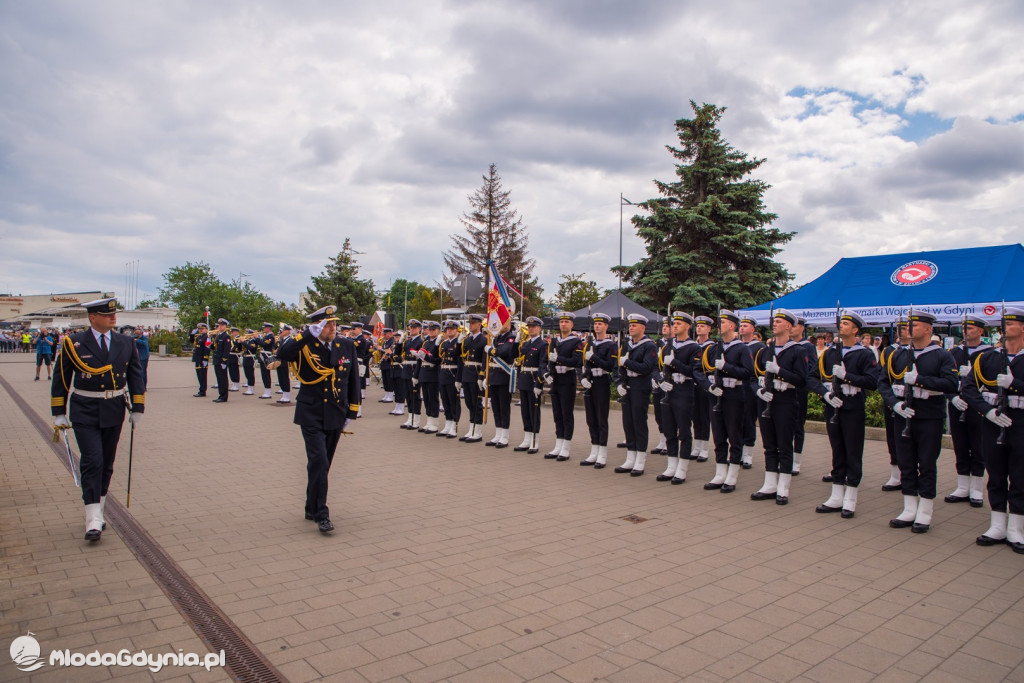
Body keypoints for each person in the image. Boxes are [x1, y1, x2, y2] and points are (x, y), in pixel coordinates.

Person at [51, 298, 145, 541]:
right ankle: (91, 516)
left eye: (114, 314)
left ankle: (100, 509)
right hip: (85, 408)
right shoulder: (74, 342)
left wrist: (138, 406)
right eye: (106, 314)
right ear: (93, 317)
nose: (113, 318)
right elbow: (61, 378)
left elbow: (135, 374)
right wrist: (58, 411)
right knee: (92, 460)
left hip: (114, 407)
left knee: (107, 463)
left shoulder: (126, 342)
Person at [273, 305, 360, 534]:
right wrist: (306, 334)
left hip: (335, 412)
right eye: (328, 324)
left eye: (334, 324)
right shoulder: (304, 344)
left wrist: (352, 410)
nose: (333, 328)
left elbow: (353, 379)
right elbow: (282, 354)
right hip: (310, 412)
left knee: (322, 464)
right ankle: (322, 513)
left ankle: (311, 506)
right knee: (319, 460)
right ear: (317, 326)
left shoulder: (346, 345)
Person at [879, 311, 958, 533]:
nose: (909, 329)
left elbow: (951, 384)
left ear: (928, 329)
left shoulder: (941, 355)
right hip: (902, 415)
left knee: (926, 463)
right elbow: (883, 382)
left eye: (914, 325)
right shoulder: (898, 355)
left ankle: (925, 510)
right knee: (906, 462)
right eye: (908, 325)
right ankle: (909, 507)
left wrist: (920, 381)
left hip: (928, 416)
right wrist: (894, 404)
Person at [963, 307, 1024, 552]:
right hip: (992, 422)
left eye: (1010, 323)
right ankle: (998, 524)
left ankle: (1016, 528)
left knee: (1020, 476)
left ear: (1022, 327)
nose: (1004, 327)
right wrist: (986, 412)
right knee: (996, 474)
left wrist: (1015, 385)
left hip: (1020, 422)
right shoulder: (987, 358)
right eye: (1003, 323)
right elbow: (968, 388)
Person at [808, 311, 879, 517]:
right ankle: (836, 494)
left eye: (846, 323)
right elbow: (812, 377)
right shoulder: (830, 352)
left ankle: (851, 497)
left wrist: (847, 377)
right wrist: (825, 394)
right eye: (841, 323)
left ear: (856, 330)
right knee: (837, 450)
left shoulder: (864, 354)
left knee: (853, 452)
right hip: (833, 405)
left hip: (853, 407)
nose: (842, 326)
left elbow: (872, 382)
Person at [750, 310, 807, 503]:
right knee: (769, 444)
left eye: (779, 322)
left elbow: (802, 380)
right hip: (766, 400)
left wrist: (780, 371)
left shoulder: (798, 350)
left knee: (784, 444)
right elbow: (752, 376)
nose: (774, 324)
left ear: (789, 326)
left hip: (786, 400)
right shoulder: (765, 350)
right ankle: (770, 483)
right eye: (774, 321)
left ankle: (783, 486)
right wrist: (757, 391)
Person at [699, 310, 754, 492]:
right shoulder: (715, 348)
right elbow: (702, 370)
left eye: (722, 322)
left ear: (732, 325)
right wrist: (709, 386)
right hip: (716, 394)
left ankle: (732, 475)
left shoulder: (742, 348)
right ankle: (720, 472)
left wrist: (726, 367)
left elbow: (747, 373)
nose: (719, 326)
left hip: (734, 395)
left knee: (734, 435)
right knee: (719, 435)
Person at [946, 315, 991, 507]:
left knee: (978, 445)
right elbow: (945, 378)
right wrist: (952, 397)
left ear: (981, 331)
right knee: (960, 444)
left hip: (979, 405)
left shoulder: (990, 354)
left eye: (971, 328)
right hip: (958, 403)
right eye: (964, 328)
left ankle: (977, 489)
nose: (966, 331)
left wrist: (972, 373)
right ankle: (963, 485)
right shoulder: (954, 353)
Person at [654, 312, 702, 483]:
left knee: (684, 430)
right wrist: (660, 381)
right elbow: (656, 367)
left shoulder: (694, 347)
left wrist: (674, 363)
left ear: (688, 326)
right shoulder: (668, 346)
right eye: (674, 324)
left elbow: (693, 372)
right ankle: (671, 466)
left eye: (679, 324)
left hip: (684, 389)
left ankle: (682, 468)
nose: (675, 326)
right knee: (669, 429)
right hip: (668, 389)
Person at [613, 314, 659, 475]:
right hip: (628, 386)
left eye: (634, 325)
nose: (631, 328)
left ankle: (640, 459)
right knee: (628, 422)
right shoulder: (627, 345)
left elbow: (647, 367)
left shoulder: (649, 346)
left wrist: (627, 363)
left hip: (641, 385)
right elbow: (617, 367)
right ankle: (630, 457)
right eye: (630, 325)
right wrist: (618, 383)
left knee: (639, 422)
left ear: (643, 328)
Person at [579, 313, 617, 467]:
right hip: (590, 382)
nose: (597, 326)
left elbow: (610, 366)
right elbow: (583, 365)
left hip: (602, 382)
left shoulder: (611, 345)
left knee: (601, 418)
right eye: (595, 324)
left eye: (600, 324)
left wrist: (593, 357)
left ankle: (602, 452)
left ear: (606, 326)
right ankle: (594, 450)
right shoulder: (590, 344)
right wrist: (583, 377)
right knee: (591, 419)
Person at [544, 312, 583, 461]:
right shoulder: (555, 341)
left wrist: (558, 358)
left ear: (572, 325)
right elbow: (548, 360)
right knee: (557, 414)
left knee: (567, 414)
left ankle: (566, 446)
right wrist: (549, 370)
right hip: (557, 379)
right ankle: (558, 444)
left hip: (568, 378)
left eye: (566, 322)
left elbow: (576, 361)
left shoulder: (576, 342)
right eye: (561, 322)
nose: (563, 324)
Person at [878, 320, 909, 490]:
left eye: (904, 328)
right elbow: (883, 375)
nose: (901, 332)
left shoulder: (917, 352)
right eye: (899, 329)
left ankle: (911, 474)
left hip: (911, 401)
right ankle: (895, 474)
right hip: (893, 399)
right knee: (893, 437)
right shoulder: (890, 351)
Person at [515, 317, 547, 454]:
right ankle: (527, 438)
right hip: (524, 379)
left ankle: (534, 440)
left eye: (534, 326)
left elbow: (542, 365)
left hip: (534, 380)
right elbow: (516, 358)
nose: (531, 329)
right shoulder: (525, 344)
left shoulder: (543, 344)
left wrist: (539, 383)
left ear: (539, 329)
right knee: (525, 411)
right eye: (529, 326)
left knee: (534, 412)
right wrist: (516, 341)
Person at [790, 317, 816, 476]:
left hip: (799, 391)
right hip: (785, 391)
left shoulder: (808, 347)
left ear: (802, 329)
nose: (791, 328)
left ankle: (796, 461)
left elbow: (812, 369)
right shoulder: (787, 346)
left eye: (795, 326)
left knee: (798, 426)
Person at [485, 320, 517, 448]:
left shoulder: (511, 338)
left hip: (504, 376)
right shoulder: (495, 338)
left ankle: (505, 435)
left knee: (504, 407)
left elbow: (505, 351)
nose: (501, 326)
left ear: (509, 325)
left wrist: (491, 350)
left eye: (504, 323)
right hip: (493, 376)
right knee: (496, 407)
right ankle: (498, 433)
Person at [739, 315, 766, 469]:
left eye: (745, 325)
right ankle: (738, 451)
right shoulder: (737, 345)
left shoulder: (760, 348)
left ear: (753, 329)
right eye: (741, 325)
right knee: (737, 421)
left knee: (748, 421)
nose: (742, 328)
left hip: (751, 388)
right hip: (737, 387)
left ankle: (748, 454)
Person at [460, 314, 487, 442]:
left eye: (473, 323)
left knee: (477, 403)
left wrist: (482, 375)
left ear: (479, 324)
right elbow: (462, 358)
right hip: (467, 373)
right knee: (469, 403)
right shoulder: (467, 340)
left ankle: (478, 431)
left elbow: (484, 359)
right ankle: (471, 427)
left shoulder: (484, 340)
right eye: (470, 323)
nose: (470, 325)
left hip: (476, 374)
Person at [691, 316, 715, 462]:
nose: (699, 328)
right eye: (698, 326)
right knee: (695, 417)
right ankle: (697, 446)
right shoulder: (693, 346)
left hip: (704, 386)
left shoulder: (711, 347)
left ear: (709, 329)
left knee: (704, 417)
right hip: (692, 385)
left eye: (703, 326)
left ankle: (704, 448)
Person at [436, 321, 463, 438]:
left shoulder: (459, 343)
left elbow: (460, 363)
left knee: (453, 402)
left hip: (453, 374)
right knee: (445, 400)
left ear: (457, 330)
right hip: (443, 374)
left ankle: (454, 426)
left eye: (452, 329)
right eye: (447, 329)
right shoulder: (444, 343)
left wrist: (458, 379)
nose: (449, 331)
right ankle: (448, 423)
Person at [650, 317, 672, 456]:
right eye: (663, 326)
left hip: (670, 383)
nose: (665, 328)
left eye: (668, 326)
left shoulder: (674, 344)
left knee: (669, 414)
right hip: (658, 381)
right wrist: (656, 378)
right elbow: (653, 363)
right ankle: (662, 440)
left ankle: (671, 441)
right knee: (659, 413)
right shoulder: (656, 344)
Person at [417, 321, 442, 434]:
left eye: (434, 330)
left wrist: (426, 357)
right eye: (430, 329)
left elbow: (438, 360)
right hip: (424, 372)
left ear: (438, 331)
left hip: (433, 373)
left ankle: (435, 423)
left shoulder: (439, 342)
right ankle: (429, 421)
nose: (431, 331)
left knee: (433, 398)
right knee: (426, 398)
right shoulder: (426, 342)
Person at [400, 320, 424, 430]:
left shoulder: (421, 341)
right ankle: (410, 417)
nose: (412, 329)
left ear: (419, 329)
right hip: (406, 369)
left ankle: (416, 419)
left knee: (415, 396)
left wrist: (416, 374)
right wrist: (400, 342)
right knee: (408, 395)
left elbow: (420, 360)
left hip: (414, 369)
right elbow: (397, 352)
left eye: (414, 327)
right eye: (411, 327)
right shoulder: (407, 341)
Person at [212, 319, 231, 403]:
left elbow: (226, 350)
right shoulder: (218, 336)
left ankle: (224, 397)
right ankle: (220, 395)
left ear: (225, 326)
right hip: (217, 360)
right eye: (219, 325)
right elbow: (215, 348)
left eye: (222, 325)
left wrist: (224, 361)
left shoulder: (226, 336)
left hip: (221, 361)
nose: (220, 326)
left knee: (223, 379)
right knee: (219, 379)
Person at [189, 322, 211, 397]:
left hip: (202, 358)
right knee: (199, 375)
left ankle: (202, 391)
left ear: (206, 329)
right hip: (197, 358)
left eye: (202, 329)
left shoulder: (207, 337)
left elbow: (207, 348)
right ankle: (201, 389)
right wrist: (192, 335)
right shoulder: (199, 337)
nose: (200, 330)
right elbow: (192, 341)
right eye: (199, 329)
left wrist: (205, 358)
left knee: (202, 376)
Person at [275, 324, 294, 403]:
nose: (280, 333)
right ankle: (284, 394)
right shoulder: (282, 340)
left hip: (285, 362)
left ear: (287, 331)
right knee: (281, 379)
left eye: (282, 331)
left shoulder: (290, 340)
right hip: (279, 361)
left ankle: (287, 396)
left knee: (285, 378)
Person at [256, 322, 275, 399]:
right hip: (263, 356)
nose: (263, 329)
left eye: (265, 328)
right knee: (264, 375)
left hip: (266, 357)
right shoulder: (266, 336)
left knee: (266, 375)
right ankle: (266, 391)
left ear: (268, 328)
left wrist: (257, 338)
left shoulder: (270, 337)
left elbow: (264, 345)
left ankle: (268, 392)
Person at [378, 328, 396, 403]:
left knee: (389, 380)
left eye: (385, 334)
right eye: (384, 334)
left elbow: (389, 351)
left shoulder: (392, 341)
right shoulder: (385, 341)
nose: (384, 335)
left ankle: (390, 396)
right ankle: (386, 394)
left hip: (389, 363)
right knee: (385, 380)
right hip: (384, 363)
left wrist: (381, 349)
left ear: (390, 334)